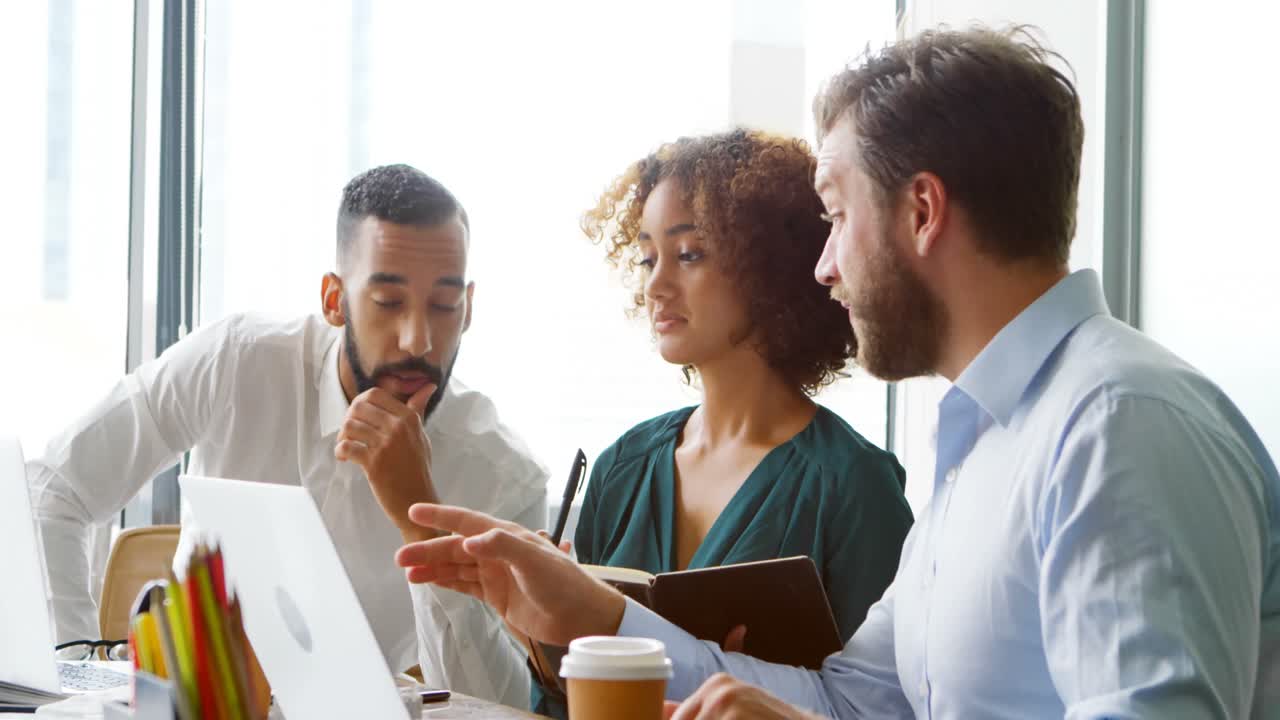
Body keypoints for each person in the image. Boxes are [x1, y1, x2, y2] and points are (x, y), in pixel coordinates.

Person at [394, 27, 1280, 718]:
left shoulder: (1118, 423)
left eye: (834, 214)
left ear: (922, 211)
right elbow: (858, 703)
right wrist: (596, 614)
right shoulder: (987, 445)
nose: (820, 267)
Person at [27, 164, 549, 706]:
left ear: (468, 310)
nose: (418, 340)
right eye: (388, 302)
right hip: (195, 707)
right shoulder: (236, 361)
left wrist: (422, 521)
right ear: (333, 300)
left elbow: (501, 705)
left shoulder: (504, 476)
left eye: (444, 306)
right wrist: (68, 671)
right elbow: (52, 489)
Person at [530, 129, 913, 717]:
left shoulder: (853, 485)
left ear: (768, 263)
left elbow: (890, 705)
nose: (655, 285)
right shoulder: (621, 468)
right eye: (647, 257)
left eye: (688, 254)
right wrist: (545, 641)